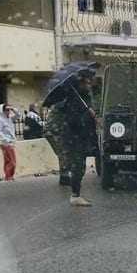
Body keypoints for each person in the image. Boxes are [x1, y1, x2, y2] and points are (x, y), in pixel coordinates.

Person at [63, 71, 98, 207]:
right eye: (87, 83)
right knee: (77, 167)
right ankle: (75, 196)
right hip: (74, 139)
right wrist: (86, 115)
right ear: (81, 83)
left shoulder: (84, 98)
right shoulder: (74, 100)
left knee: (80, 166)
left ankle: (76, 194)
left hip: (82, 138)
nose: (89, 85)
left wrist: (91, 115)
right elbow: (72, 121)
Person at [44, 100, 72, 186]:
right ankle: (64, 177)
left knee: (63, 153)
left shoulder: (59, 105)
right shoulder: (59, 105)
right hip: (53, 132)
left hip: (53, 132)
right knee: (63, 153)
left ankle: (64, 176)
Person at [0, 103, 21, 181]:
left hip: (10, 142)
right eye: (6, 110)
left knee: (8, 160)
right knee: (12, 161)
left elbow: (18, 115)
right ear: (2, 111)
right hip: (5, 143)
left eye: (9, 110)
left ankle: (8, 176)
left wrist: (13, 109)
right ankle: (9, 176)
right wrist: (6, 139)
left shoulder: (8, 118)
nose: (8, 111)